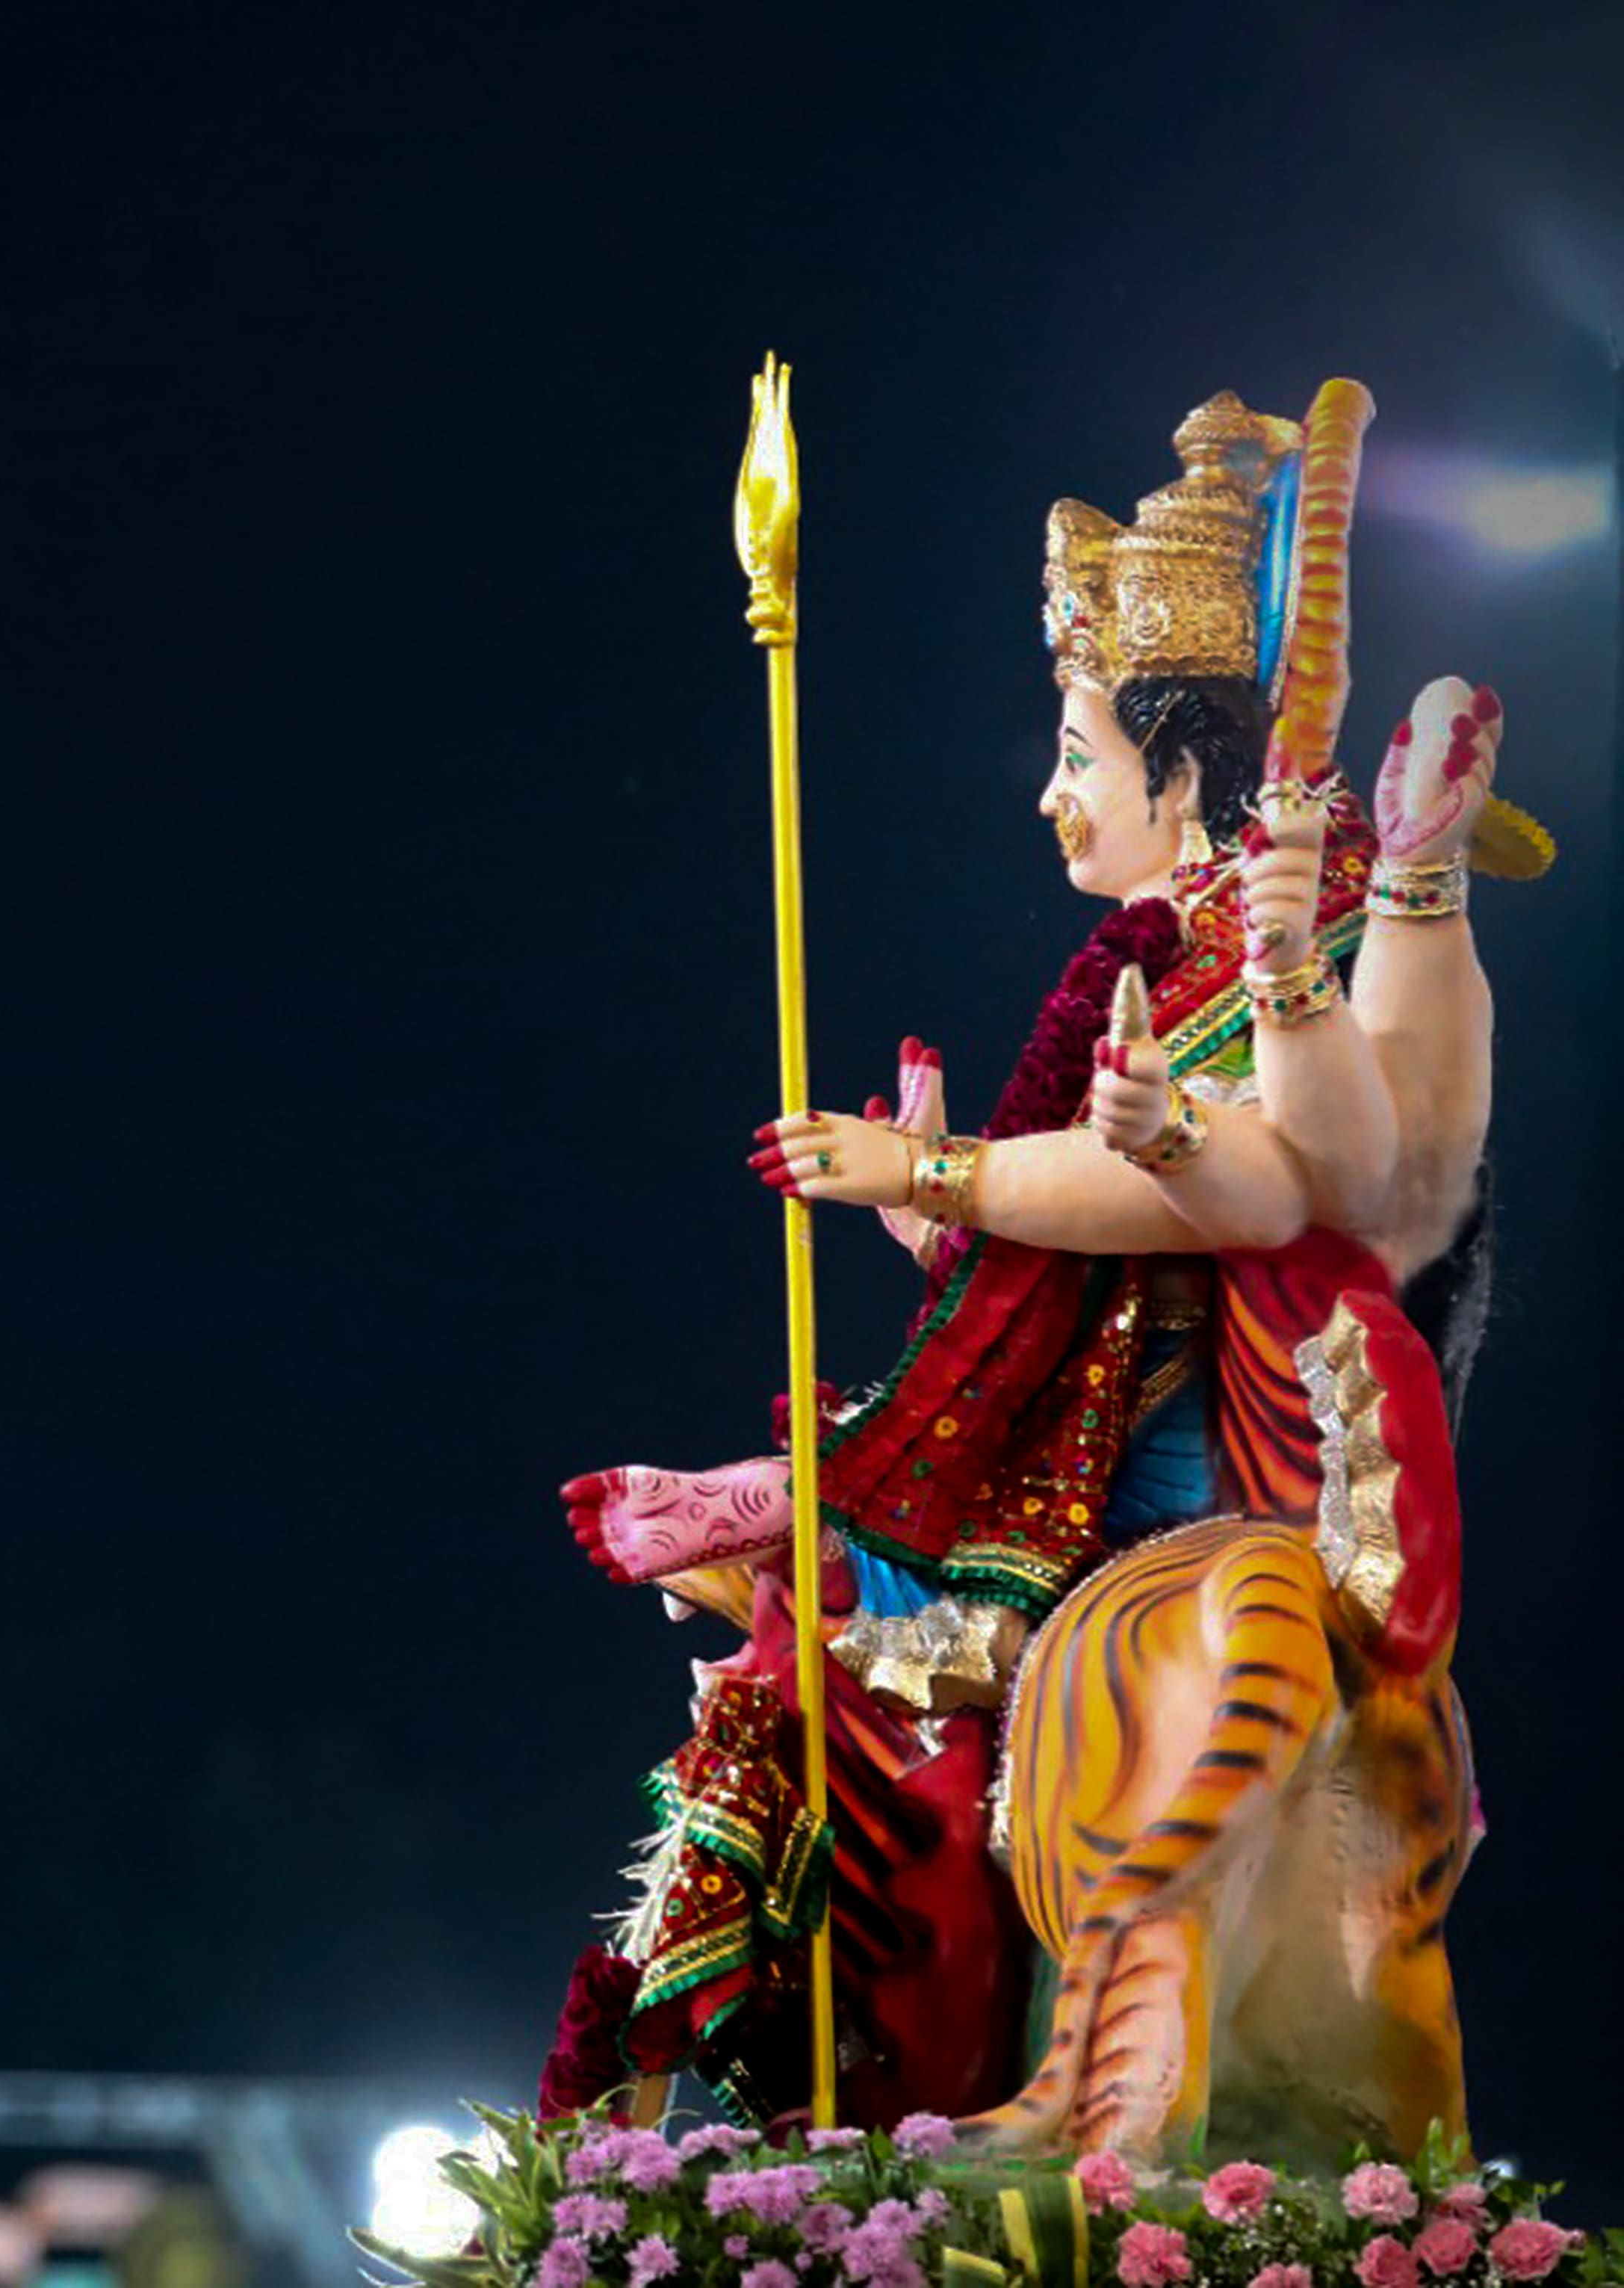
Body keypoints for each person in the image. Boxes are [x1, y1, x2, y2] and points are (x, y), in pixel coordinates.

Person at [536, 388, 1527, 2130]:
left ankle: (804, 2092)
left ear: (1185, 766)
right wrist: (953, 1218)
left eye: (1081, 754)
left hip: (1188, 1468)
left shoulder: (1243, 924)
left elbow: (1236, 1195)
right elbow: (1115, 1240)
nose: (1060, 800)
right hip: (1168, 1414)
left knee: (821, 1673)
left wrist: (939, 1168)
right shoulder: (1189, 936)